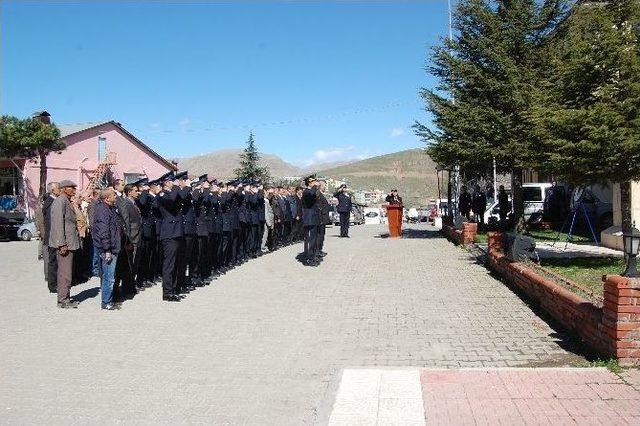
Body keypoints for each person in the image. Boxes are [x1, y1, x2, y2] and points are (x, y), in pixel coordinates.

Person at [48, 180, 81, 308]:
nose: (74, 190)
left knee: (67, 273)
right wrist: (61, 244)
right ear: (64, 189)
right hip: (64, 244)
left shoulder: (65, 201)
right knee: (64, 273)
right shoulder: (60, 201)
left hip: (69, 242)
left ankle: (65, 298)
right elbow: (57, 224)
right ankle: (63, 300)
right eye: (71, 188)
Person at [92, 188, 122, 310]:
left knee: (110, 275)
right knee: (109, 277)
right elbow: (103, 232)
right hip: (108, 249)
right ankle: (106, 302)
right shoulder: (102, 211)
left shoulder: (110, 209)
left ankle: (109, 299)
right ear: (107, 198)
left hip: (113, 247)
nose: (115, 196)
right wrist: (107, 250)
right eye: (113, 195)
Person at [157, 171, 183, 302]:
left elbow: (182, 197)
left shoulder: (172, 192)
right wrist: (177, 187)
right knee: (169, 264)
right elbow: (172, 199)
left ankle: (173, 289)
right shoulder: (162, 194)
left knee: (175, 263)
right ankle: (167, 292)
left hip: (176, 232)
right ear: (166, 182)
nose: (174, 183)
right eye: (172, 181)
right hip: (169, 233)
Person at [41, 182, 60, 293]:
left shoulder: (53, 201)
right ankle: (53, 285)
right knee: (53, 261)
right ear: (53, 190)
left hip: (53, 236)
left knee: (55, 261)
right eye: (58, 188)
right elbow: (51, 222)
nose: (60, 190)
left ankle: (55, 283)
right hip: (52, 237)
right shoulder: (51, 203)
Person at [301, 175, 320, 266]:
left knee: (313, 239)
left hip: (313, 218)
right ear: (310, 182)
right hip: (309, 219)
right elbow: (310, 199)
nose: (315, 183)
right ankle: (308, 259)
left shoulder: (311, 191)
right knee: (309, 240)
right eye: (313, 182)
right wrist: (315, 187)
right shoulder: (307, 192)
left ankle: (312, 257)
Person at [316, 179, 330, 259]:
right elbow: (318, 207)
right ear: (320, 186)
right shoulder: (318, 194)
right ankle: (317, 251)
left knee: (322, 235)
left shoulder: (321, 194)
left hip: (323, 218)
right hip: (320, 218)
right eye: (325, 185)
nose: (325, 187)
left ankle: (319, 250)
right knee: (319, 236)